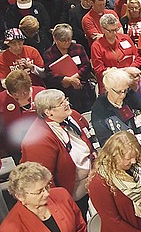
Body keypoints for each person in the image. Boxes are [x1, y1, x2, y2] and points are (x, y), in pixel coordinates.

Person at [21, 89, 95, 218]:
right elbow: (44, 178)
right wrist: (60, 205)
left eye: (65, 99)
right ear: (48, 112)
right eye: (61, 103)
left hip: (92, 180)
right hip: (73, 192)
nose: (66, 103)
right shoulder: (38, 140)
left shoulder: (73, 116)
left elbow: (89, 140)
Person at [91, 68, 141, 146]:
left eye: (125, 90)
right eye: (118, 92)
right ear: (107, 88)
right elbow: (105, 142)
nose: (123, 94)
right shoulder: (99, 109)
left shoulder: (132, 96)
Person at [0, 69, 44, 161]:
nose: (21, 95)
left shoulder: (41, 93)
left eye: (25, 92)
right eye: (15, 93)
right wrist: (2, 149)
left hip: (43, 143)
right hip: (16, 149)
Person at [90, 14, 141, 90]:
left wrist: (132, 69)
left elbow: (138, 57)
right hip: (112, 86)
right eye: (111, 31)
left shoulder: (125, 38)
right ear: (103, 29)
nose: (114, 33)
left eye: (116, 29)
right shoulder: (97, 46)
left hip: (132, 81)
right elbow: (99, 70)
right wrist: (125, 71)